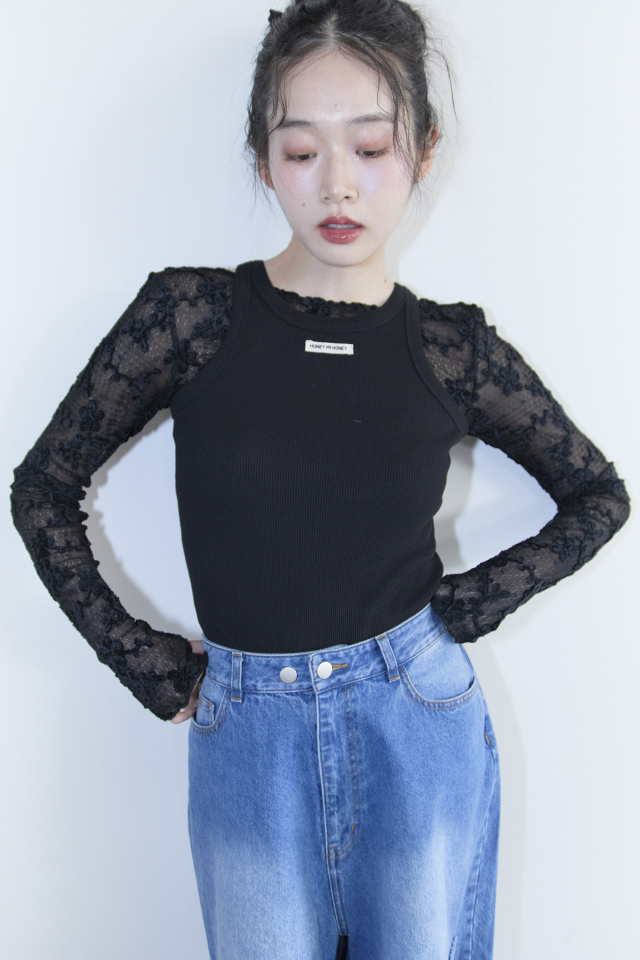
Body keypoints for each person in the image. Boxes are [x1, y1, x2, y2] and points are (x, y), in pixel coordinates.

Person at [9, 1, 630, 958]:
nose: (337, 182)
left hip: (415, 725)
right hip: (246, 735)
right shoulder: (192, 318)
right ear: (264, 160)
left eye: (370, 148)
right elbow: (43, 486)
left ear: (423, 151)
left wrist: (468, 606)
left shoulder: (452, 350)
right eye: (301, 151)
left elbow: (599, 495)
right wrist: (142, 661)